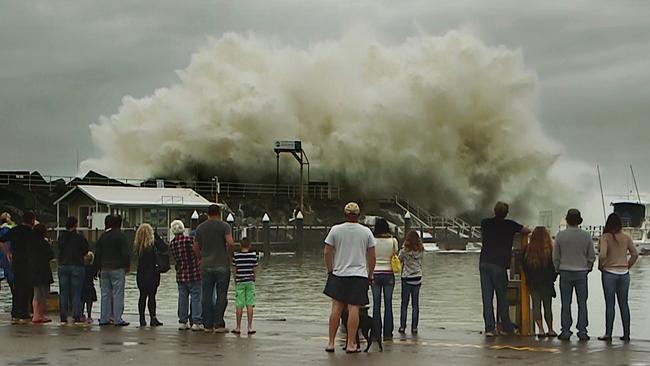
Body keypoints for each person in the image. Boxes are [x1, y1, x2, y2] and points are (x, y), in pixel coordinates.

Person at [323, 202, 376, 354]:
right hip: (359, 275)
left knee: (336, 308)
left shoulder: (335, 230)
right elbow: (372, 255)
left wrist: (330, 270)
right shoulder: (366, 232)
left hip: (339, 274)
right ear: (358, 215)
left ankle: (331, 343)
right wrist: (370, 274)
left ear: (345, 214)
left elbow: (327, 252)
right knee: (354, 309)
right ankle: (351, 343)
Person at [479, 201, 530, 337]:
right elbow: (526, 230)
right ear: (506, 213)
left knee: (487, 298)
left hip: (484, 262)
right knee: (502, 297)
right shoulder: (510, 225)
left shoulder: (485, 223)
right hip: (499, 264)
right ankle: (506, 327)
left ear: (494, 211)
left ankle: (489, 328)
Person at [553, 208, 596, 341]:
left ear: (567, 220)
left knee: (566, 303)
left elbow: (555, 256)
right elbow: (591, 255)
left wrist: (557, 269)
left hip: (565, 271)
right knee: (582, 302)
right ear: (579, 221)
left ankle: (565, 330)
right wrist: (588, 267)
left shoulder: (560, 236)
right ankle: (582, 331)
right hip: (581, 272)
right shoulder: (586, 235)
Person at [597, 213, 639, 342]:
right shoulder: (626, 237)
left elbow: (603, 255)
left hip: (609, 273)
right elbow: (635, 254)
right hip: (624, 274)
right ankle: (626, 334)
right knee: (624, 304)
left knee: (610, 305)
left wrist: (601, 266)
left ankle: (608, 334)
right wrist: (627, 266)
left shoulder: (605, 237)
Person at [193, 204, 234, 333]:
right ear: (219, 213)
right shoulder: (224, 226)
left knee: (206, 295)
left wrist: (200, 257)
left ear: (208, 213)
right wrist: (229, 255)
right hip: (222, 265)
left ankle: (207, 324)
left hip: (206, 265)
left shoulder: (200, 228)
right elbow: (230, 243)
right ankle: (219, 323)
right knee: (222, 295)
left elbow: (195, 246)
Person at [0, 211, 38, 323]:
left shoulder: (14, 230)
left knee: (17, 287)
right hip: (28, 262)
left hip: (16, 262)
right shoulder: (31, 233)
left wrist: (7, 252)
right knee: (26, 288)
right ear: (32, 220)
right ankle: (24, 312)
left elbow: (2, 239)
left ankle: (15, 311)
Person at [522, 226, 558, 337]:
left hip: (533, 283)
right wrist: (553, 278)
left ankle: (541, 330)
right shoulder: (551, 251)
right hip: (547, 282)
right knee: (548, 306)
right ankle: (551, 329)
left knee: (536, 306)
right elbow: (554, 267)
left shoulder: (527, 250)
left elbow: (524, 266)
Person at [95, 214, 130, 327]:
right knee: (118, 294)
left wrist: (96, 268)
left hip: (104, 268)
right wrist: (127, 266)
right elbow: (125, 253)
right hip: (117, 268)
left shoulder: (103, 237)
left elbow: (98, 254)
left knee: (105, 294)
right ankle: (117, 319)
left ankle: (104, 318)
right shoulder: (121, 236)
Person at [169, 219, 203, 331]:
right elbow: (198, 252)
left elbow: (175, 259)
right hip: (194, 273)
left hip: (181, 274)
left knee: (182, 298)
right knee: (196, 298)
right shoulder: (190, 240)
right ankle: (196, 321)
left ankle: (182, 321)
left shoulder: (172, 244)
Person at [57, 216, 89, 324]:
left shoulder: (61, 237)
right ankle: (76, 315)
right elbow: (85, 250)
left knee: (63, 292)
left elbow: (59, 248)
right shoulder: (80, 237)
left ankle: (63, 315)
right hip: (77, 265)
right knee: (76, 292)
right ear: (75, 225)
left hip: (63, 265)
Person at [371, 217, 396, 340]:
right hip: (389, 273)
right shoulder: (393, 241)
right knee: (388, 303)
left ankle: (376, 332)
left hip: (375, 273)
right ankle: (387, 333)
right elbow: (395, 254)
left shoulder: (372, 240)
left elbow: (369, 256)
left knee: (376, 304)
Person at [133, 223, 162, 327]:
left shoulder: (138, 246)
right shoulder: (153, 245)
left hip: (141, 273)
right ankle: (153, 318)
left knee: (142, 296)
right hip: (153, 273)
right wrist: (157, 235)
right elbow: (164, 247)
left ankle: (142, 319)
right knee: (152, 296)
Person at [398, 230, 424, 334]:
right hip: (417, 277)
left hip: (407, 278)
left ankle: (403, 327)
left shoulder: (404, 251)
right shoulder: (421, 250)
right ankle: (414, 327)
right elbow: (421, 262)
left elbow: (399, 260)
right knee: (415, 304)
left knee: (404, 304)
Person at [231, 237, 258, 335]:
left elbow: (234, 269)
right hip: (250, 282)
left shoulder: (236, 256)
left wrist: (235, 279)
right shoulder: (253, 255)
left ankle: (238, 327)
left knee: (239, 304)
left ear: (240, 245)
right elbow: (255, 269)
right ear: (249, 245)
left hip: (240, 282)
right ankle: (250, 327)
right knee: (250, 304)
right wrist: (254, 278)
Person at [30, 224, 54, 324]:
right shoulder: (44, 243)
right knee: (44, 294)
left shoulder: (30, 243)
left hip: (33, 270)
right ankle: (40, 315)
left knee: (36, 294)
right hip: (44, 270)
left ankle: (35, 315)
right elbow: (50, 255)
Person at [0, 213, 16, 297]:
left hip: (3, 259)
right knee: (13, 282)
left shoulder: (2, 230)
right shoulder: (11, 229)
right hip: (9, 258)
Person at [81, 251, 97, 323]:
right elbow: (94, 275)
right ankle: (89, 316)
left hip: (82, 286)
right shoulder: (92, 268)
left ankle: (81, 315)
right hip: (90, 286)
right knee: (89, 302)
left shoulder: (81, 268)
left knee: (82, 301)